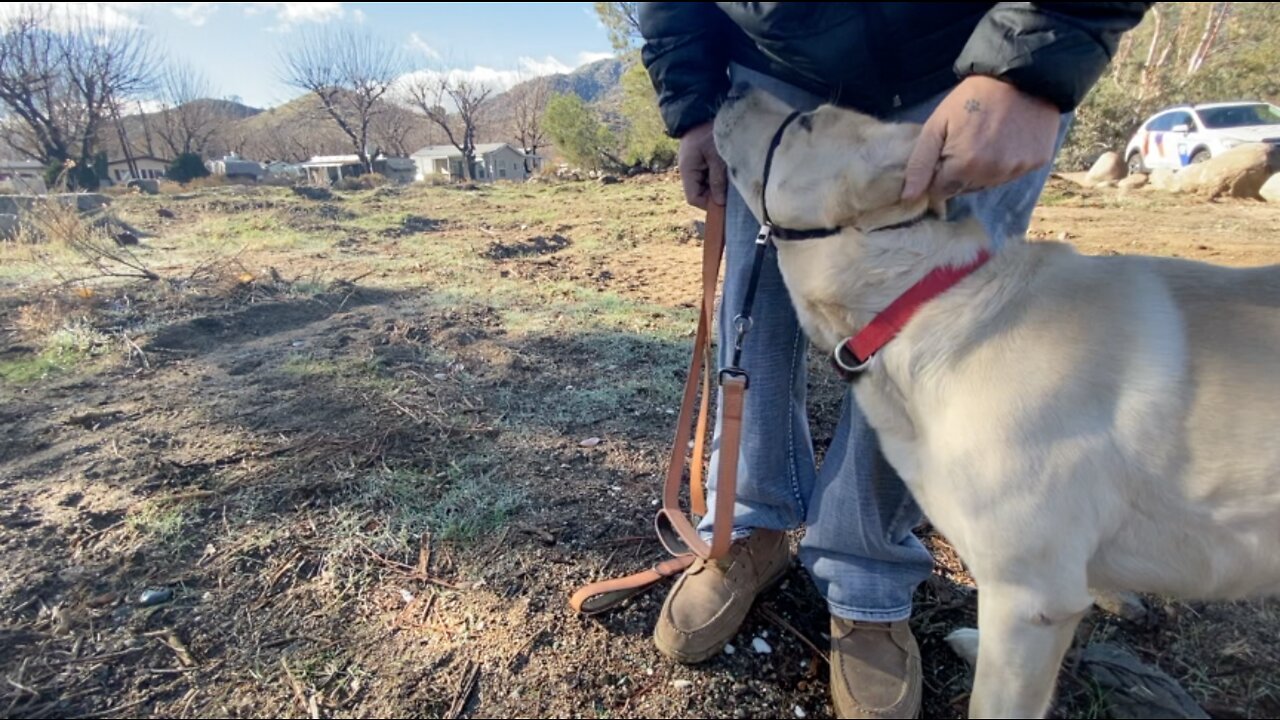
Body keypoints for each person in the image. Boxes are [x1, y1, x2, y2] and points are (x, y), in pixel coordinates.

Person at [637, 3, 1154, 718]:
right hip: (769, 75)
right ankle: (749, 526)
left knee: (924, 343)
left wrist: (1035, 60)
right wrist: (692, 105)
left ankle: (867, 575)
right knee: (755, 316)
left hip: (967, 68)